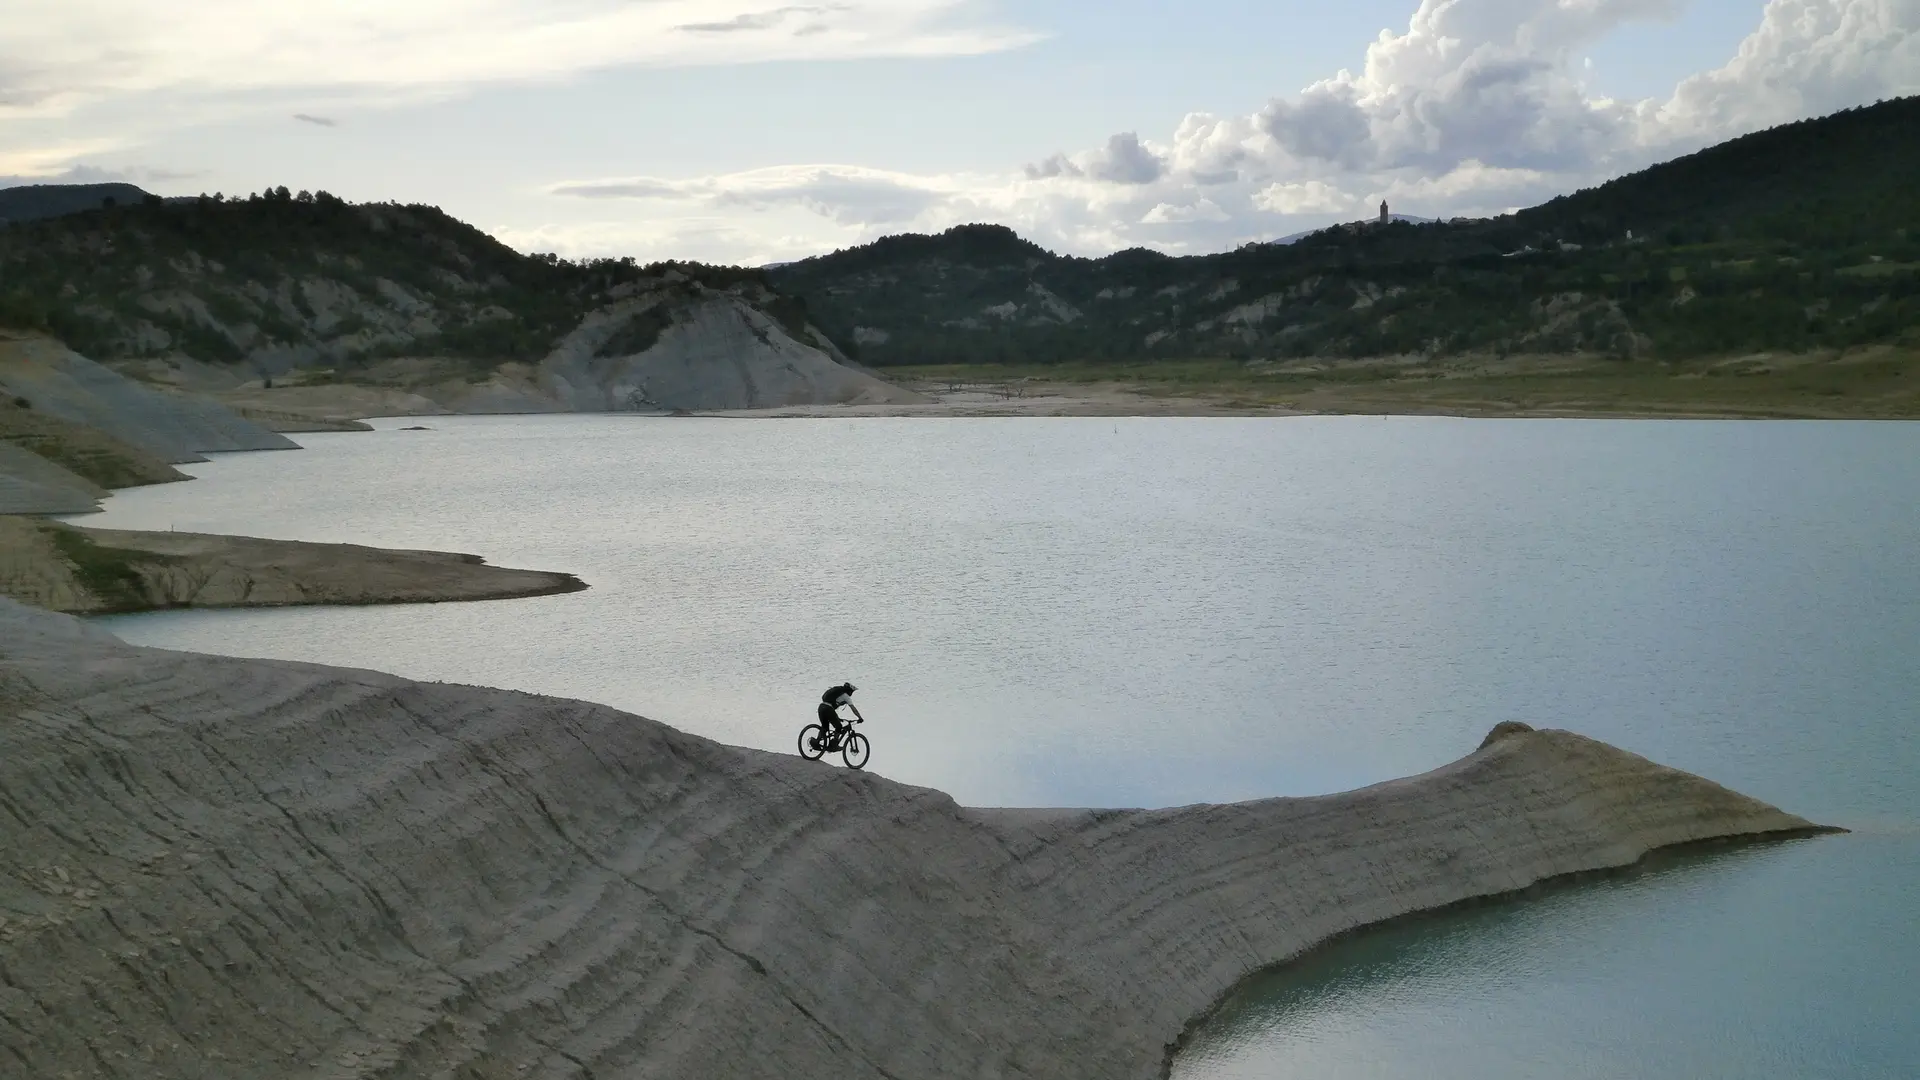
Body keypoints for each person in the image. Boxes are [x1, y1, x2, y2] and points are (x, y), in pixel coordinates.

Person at [815, 682, 861, 748]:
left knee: (824, 728)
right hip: (828, 709)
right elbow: (854, 709)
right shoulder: (846, 696)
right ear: (850, 691)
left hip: (821, 707)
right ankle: (833, 745)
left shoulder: (838, 693)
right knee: (839, 727)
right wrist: (860, 718)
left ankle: (816, 742)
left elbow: (832, 710)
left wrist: (837, 718)